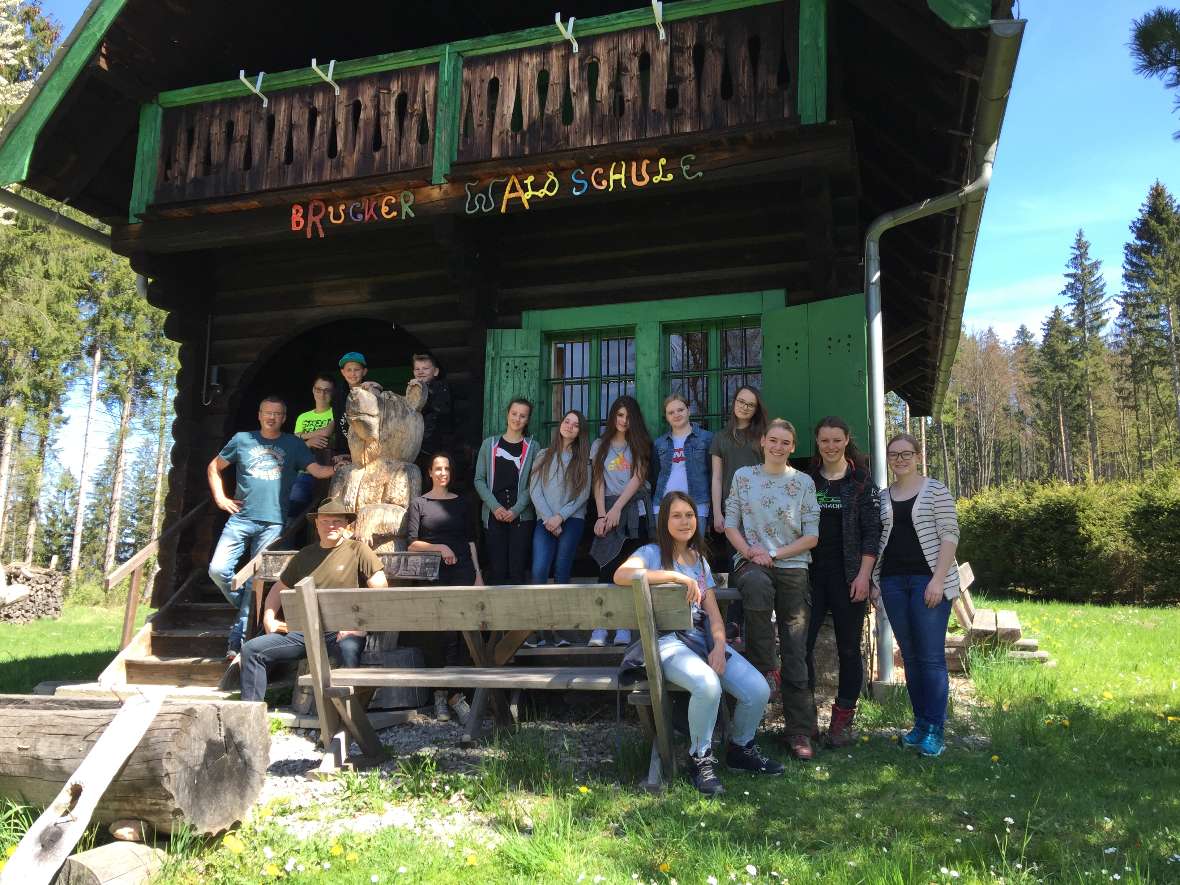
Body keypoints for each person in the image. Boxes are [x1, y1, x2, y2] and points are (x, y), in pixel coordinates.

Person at [614, 491, 784, 795]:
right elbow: (622, 575)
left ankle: (740, 750)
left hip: (701, 640)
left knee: (757, 689)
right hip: (667, 643)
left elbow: (714, 616)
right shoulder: (651, 552)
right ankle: (700, 759)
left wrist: (719, 647)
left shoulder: (700, 562)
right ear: (664, 520)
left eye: (689, 515)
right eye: (676, 515)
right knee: (708, 684)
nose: (684, 521)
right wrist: (676, 578)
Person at [207, 396, 335, 659]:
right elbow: (214, 467)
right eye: (267, 413)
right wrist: (221, 498)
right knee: (217, 570)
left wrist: (340, 467)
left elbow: (317, 471)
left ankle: (237, 641)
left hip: (274, 524)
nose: (272, 417)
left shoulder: (292, 444)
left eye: (277, 414)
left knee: (257, 579)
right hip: (241, 518)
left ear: (284, 418)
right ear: (259, 414)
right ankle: (246, 602)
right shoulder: (243, 439)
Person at [724, 418, 820, 759]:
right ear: (762, 442)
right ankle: (766, 668)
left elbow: (811, 536)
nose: (778, 447)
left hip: (792, 565)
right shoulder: (743, 477)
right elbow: (730, 523)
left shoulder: (804, 483)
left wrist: (774, 553)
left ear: (792, 447)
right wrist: (750, 552)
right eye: (773, 440)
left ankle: (799, 732)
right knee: (754, 584)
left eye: (785, 442)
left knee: (796, 648)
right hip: (751, 562)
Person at [238, 499, 387, 703]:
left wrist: (360, 626)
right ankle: (251, 715)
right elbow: (277, 589)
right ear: (317, 524)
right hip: (304, 632)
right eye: (325, 521)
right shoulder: (305, 555)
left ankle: (347, 721)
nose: (331, 526)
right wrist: (269, 617)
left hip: (342, 631)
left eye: (337, 521)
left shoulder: (358, 550)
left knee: (349, 655)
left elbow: (380, 590)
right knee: (252, 650)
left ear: (346, 525)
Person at [872, 432, 961, 758]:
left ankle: (936, 728)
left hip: (929, 582)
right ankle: (921, 724)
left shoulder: (936, 490)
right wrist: (876, 580)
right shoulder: (883, 497)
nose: (900, 459)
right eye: (894, 454)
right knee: (909, 657)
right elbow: (881, 542)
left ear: (918, 455)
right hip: (894, 583)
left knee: (931, 657)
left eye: (906, 453)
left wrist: (937, 580)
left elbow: (950, 535)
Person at [805, 416, 881, 747]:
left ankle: (842, 721)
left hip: (850, 578)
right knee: (800, 647)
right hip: (809, 577)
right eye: (825, 441)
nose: (831, 446)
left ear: (847, 440)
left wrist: (864, 575)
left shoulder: (862, 482)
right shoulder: (807, 481)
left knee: (849, 649)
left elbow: (872, 533)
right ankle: (804, 719)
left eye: (837, 440)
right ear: (817, 443)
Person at [406, 452, 484, 723]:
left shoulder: (462, 504)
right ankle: (439, 693)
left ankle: (456, 694)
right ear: (430, 472)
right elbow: (412, 543)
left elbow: (471, 541)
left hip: (462, 568)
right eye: (438, 468)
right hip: (433, 571)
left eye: (446, 468)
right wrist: (439, 547)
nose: (442, 473)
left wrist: (478, 576)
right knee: (438, 631)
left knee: (462, 631)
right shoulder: (419, 503)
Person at [589, 395, 653, 647]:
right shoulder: (599, 445)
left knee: (630, 570)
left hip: (634, 511)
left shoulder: (639, 443)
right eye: (620, 415)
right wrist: (603, 514)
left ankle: (625, 627)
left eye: (628, 416)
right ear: (613, 416)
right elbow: (598, 481)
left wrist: (617, 509)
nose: (624, 421)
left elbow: (637, 479)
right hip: (609, 509)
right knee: (605, 567)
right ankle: (600, 626)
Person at [526, 409, 591, 647]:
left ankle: (562, 632)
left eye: (575, 425)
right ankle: (539, 632)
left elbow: (583, 494)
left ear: (580, 431)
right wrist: (548, 519)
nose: (569, 426)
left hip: (572, 520)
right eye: (567, 421)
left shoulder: (583, 460)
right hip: (544, 521)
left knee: (562, 570)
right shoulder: (543, 454)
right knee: (539, 570)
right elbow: (534, 489)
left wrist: (559, 518)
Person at [709, 386, 768, 638]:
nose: (743, 406)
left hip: (759, 510)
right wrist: (717, 512)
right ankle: (734, 621)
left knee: (757, 563)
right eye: (740, 401)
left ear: (756, 410)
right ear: (733, 402)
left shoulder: (762, 436)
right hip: (731, 510)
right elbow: (716, 477)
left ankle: (754, 621)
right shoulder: (721, 437)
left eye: (750, 404)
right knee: (736, 563)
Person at [473, 398, 538, 585]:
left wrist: (516, 510)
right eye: (514, 414)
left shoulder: (533, 447)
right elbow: (479, 479)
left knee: (518, 569)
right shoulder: (489, 445)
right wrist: (495, 507)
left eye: (522, 416)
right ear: (507, 414)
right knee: (497, 570)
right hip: (494, 515)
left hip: (521, 516)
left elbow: (533, 483)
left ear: (527, 420)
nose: (517, 419)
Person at [652, 394, 713, 518]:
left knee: (696, 538)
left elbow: (714, 474)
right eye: (671, 412)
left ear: (689, 411)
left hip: (697, 504)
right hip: (664, 504)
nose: (676, 414)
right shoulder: (660, 443)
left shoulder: (706, 438)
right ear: (667, 417)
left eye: (680, 410)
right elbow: (655, 474)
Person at [288, 373, 335, 517]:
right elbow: (295, 443)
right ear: (314, 390)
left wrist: (301, 436)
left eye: (327, 390)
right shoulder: (303, 417)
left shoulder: (336, 413)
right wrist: (308, 442)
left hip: (329, 471)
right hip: (304, 472)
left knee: (326, 513)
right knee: (293, 510)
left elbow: (327, 432)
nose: (322, 394)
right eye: (319, 389)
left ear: (332, 393)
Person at [412, 353, 454, 489]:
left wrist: (423, 391)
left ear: (435, 371)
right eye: (417, 369)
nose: (421, 372)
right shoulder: (413, 390)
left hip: (437, 444)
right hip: (420, 445)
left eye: (425, 368)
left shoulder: (441, 388)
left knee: (434, 479)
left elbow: (440, 410)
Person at [331, 351, 381, 463]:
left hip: (370, 448)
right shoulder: (338, 394)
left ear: (364, 371)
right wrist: (341, 452)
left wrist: (375, 390)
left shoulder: (372, 389)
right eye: (349, 370)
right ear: (342, 372)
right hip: (347, 450)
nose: (353, 374)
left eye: (356, 370)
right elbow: (339, 425)